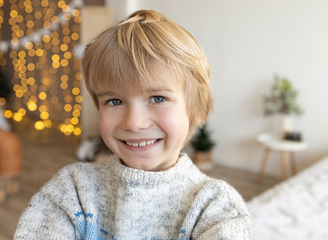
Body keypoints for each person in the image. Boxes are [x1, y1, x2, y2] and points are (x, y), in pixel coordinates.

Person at [14, 9, 251, 240]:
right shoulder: (71, 190)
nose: (134, 123)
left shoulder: (216, 207)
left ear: (196, 110)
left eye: (158, 98)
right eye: (114, 101)